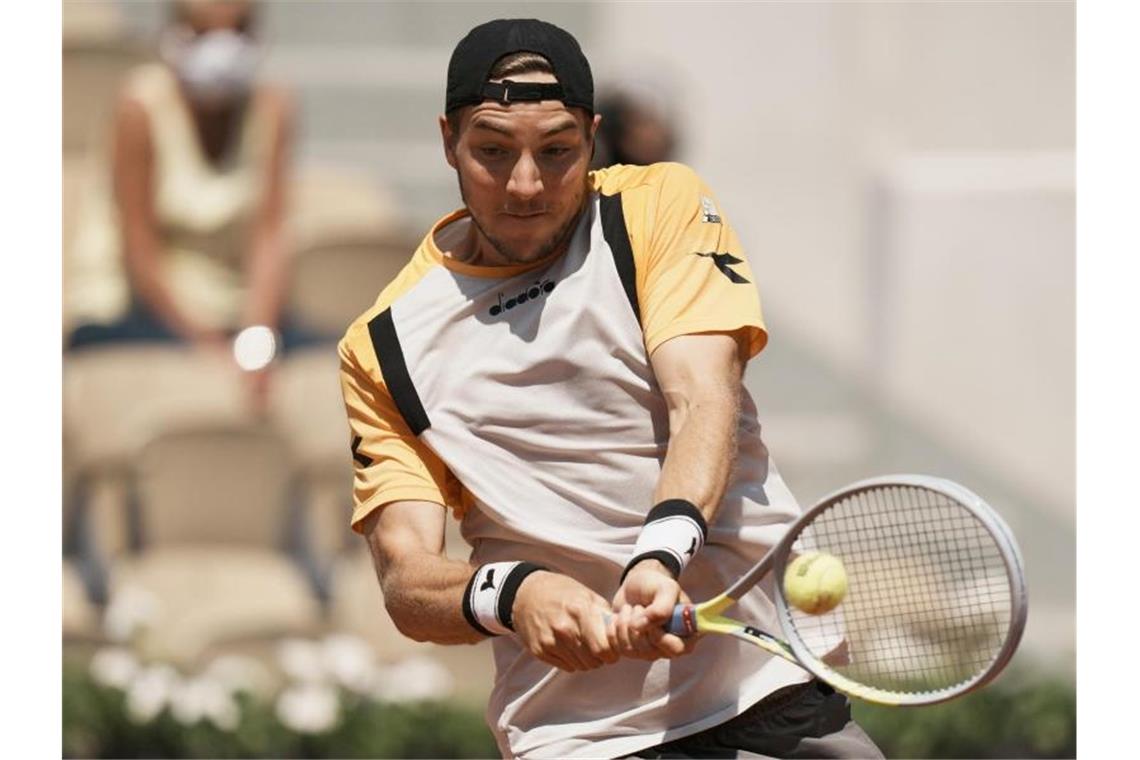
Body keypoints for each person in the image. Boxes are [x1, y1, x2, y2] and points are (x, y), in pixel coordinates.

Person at [338, 18, 883, 759]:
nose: (525, 184)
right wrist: (513, 592)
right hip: (580, 740)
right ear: (447, 142)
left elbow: (704, 400)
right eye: (493, 151)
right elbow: (407, 578)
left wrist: (658, 556)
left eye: (556, 151)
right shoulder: (385, 346)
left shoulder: (656, 209)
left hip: (767, 692)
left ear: (593, 138)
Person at [65, 0, 316, 409]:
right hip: (136, 312)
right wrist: (208, 347)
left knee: (342, 352)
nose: (221, 49)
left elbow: (270, 236)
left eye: (236, 32)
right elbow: (140, 254)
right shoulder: (139, 107)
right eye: (203, 33)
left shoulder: (273, 106)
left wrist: (256, 341)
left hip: (231, 314)